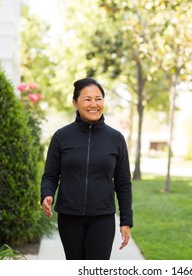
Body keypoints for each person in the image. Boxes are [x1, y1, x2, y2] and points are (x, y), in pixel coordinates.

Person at [40, 77, 133, 260]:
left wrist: (126, 221)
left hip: (102, 218)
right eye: (87, 99)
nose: (94, 104)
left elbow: (123, 183)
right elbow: (50, 175)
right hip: (69, 217)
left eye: (98, 99)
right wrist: (47, 194)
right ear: (75, 103)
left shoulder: (116, 139)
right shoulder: (61, 137)